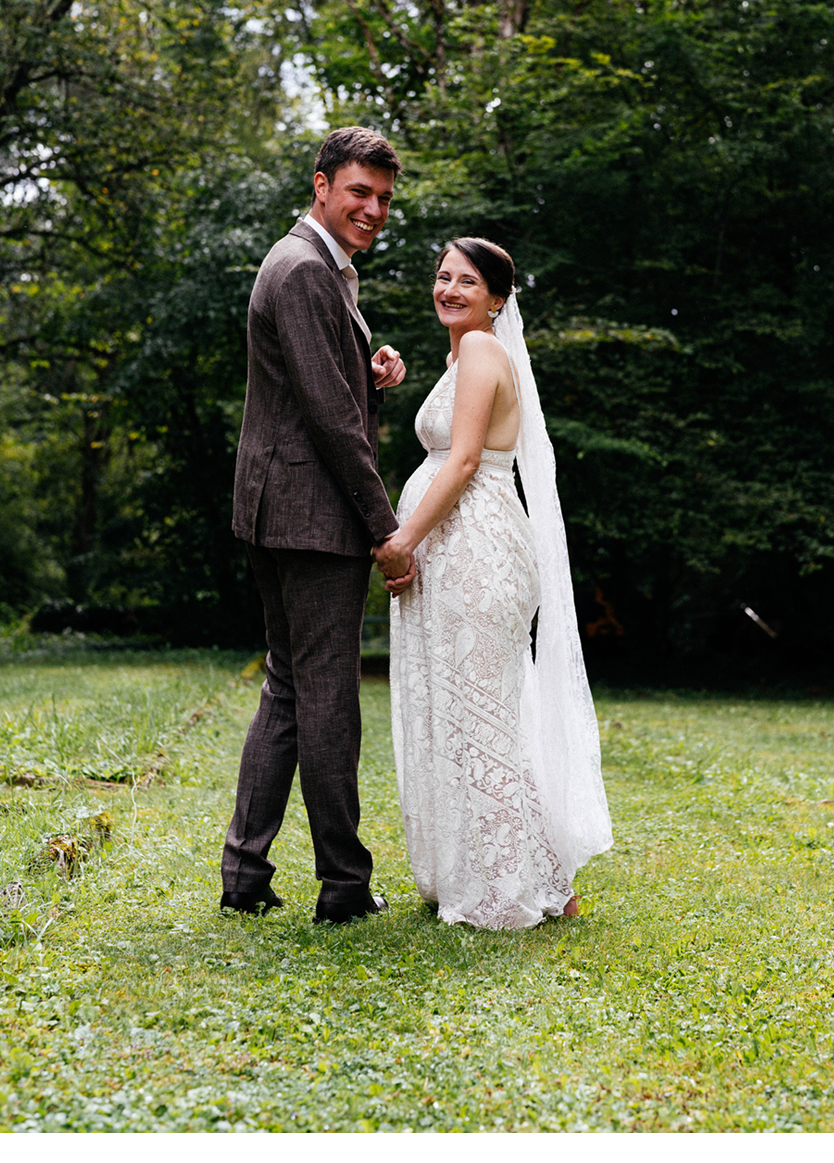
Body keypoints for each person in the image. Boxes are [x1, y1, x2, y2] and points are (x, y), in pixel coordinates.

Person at [381, 238, 614, 928]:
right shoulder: (461, 356)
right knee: (464, 713)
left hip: (475, 549)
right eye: (441, 277)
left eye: (467, 281)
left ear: (496, 299)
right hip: (455, 549)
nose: (448, 289)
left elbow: (461, 464)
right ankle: (506, 870)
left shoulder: (482, 350)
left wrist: (401, 542)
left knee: (484, 715)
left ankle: (518, 883)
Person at [220, 126, 413, 924]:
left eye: (383, 198)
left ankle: (244, 873)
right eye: (358, 192)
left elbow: (326, 390)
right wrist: (385, 528)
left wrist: (373, 374)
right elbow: (331, 422)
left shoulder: (323, 270)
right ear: (321, 186)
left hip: (283, 507)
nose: (371, 209)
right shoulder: (302, 269)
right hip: (310, 515)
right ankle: (343, 885)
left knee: (291, 690)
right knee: (327, 696)